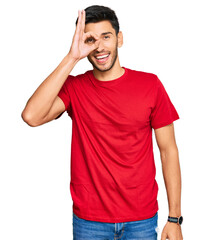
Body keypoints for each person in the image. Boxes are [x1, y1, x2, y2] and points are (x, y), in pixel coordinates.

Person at [21, 5, 183, 240]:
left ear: (119, 38)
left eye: (106, 37)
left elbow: (169, 151)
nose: (99, 46)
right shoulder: (74, 88)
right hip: (90, 221)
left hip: (141, 219)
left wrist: (174, 218)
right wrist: (72, 57)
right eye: (90, 39)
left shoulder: (150, 85)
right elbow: (31, 116)